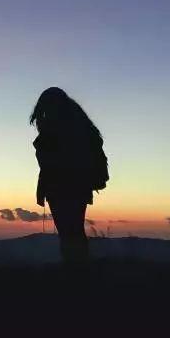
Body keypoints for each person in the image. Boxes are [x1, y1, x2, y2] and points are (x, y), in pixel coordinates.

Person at [29, 87, 108, 264]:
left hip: (62, 186)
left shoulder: (58, 128)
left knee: (68, 232)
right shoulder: (78, 125)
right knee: (74, 231)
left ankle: (75, 272)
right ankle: (78, 270)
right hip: (77, 186)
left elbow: (50, 161)